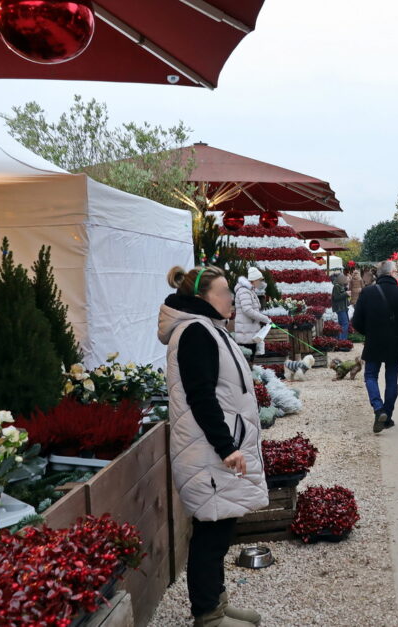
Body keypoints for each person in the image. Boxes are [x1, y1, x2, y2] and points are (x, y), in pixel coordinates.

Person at [158, 265, 267, 627]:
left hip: (216, 449)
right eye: (224, 293)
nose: (232, 299)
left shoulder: (207, 329)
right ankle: (207, 615)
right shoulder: (194, 333)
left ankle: (216, 601)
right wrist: (227, 447)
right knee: (211, 531)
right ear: (203, 298)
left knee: (219, 526)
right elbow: (201, 397)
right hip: (210, 452)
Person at [351, 260, 398, 432]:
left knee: (370, 376)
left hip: (373, 342)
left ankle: (378, 408)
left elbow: (356, 321)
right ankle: (387, 415)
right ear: (392, 272)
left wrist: (369, 332)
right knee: (391, 379)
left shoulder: (367, 293)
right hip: (395, 344)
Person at [233, 267, 271, 361]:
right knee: (247, 360)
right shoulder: (244, 291)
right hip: (245, 333)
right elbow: (248, 310)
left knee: (251, 359)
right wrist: (264, 318)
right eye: (260, 280)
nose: (261, 282)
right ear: (254, 280)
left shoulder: (250, 290)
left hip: (249, 332)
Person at [331, 272, 350, 340]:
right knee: (345, 324)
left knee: (342, 324)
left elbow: (341, 294)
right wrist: (346, 294)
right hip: (340, 308)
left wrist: (346, 290)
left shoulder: (340, 285)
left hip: (343, 308)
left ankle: (340, 339)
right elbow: (336, 297)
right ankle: (342, 340)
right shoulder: (336, 286)